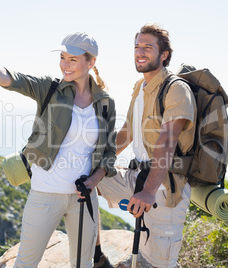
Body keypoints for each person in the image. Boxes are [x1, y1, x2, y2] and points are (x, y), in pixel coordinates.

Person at [0, 32, 117, 268]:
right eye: (62, 57)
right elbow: (10, 78)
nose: (65, 64)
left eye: (72, 59)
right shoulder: (50, 88)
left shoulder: (105, 103)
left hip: (84, 199)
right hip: (45, 195)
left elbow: (108, 153)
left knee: (83, 264)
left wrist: (93, 181)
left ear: (90, 62)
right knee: (25, 263)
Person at [93, 23, 197, 268]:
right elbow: (127, 133)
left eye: (148, 47)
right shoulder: (140, 87)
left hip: (164, 189)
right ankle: (97, 258)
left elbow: (167, 143)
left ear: (164, 55)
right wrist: (98, 162)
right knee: (84, 180)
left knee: (157, 264)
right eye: (137, 46)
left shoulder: (176, 89)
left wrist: (148, 191)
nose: (140, 52)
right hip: (136, 176)